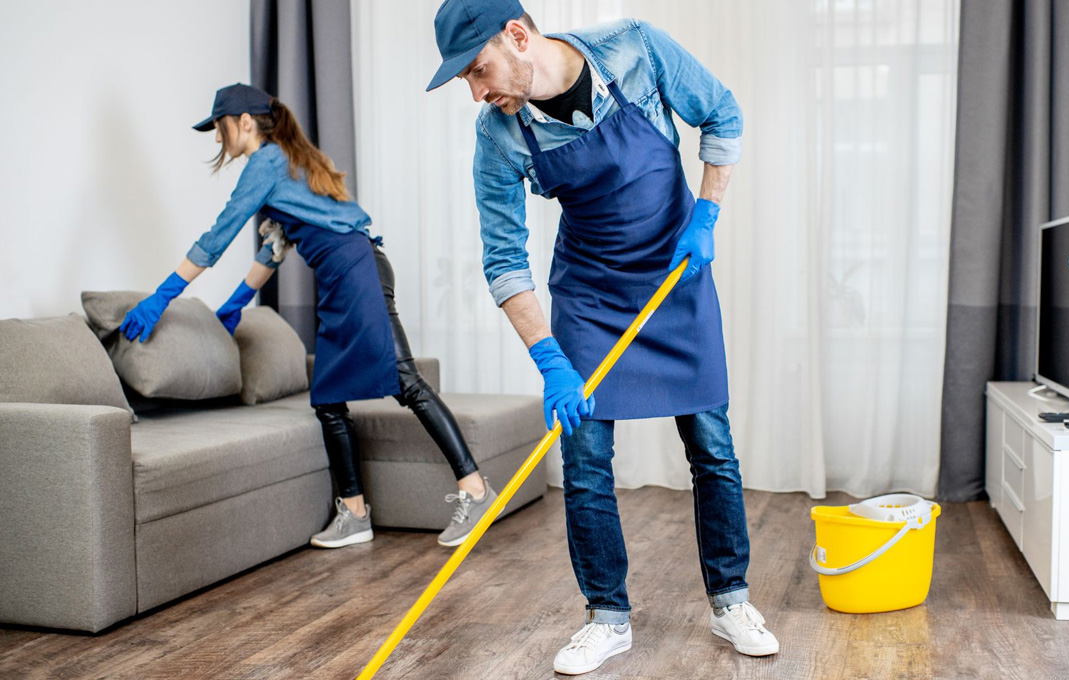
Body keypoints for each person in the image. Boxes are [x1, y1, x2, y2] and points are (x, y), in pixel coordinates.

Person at [426, 1, 779, 674]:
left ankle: (730, 600)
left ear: (519, 37)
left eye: (478, 70)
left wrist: (705, 213)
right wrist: (549, 359)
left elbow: (722, 112)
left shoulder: (634, 50)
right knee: (585, 458)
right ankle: (606, 616)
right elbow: (503, 259)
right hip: (590, 295)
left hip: (676, 276)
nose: (477, 92)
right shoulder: (498, 134)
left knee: (711, 443)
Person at [120, 83, 497, 549]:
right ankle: (355, 513)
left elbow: (217, 237)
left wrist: (162, 296)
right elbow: (275, 247)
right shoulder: (287, 162)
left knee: (405, 381)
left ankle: (475, 490)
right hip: (348, 274)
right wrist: (236, 302)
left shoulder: (267, 161)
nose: (218, 140)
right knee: (327, 397)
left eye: (219, 128)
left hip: (354, 271)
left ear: (242, 122)